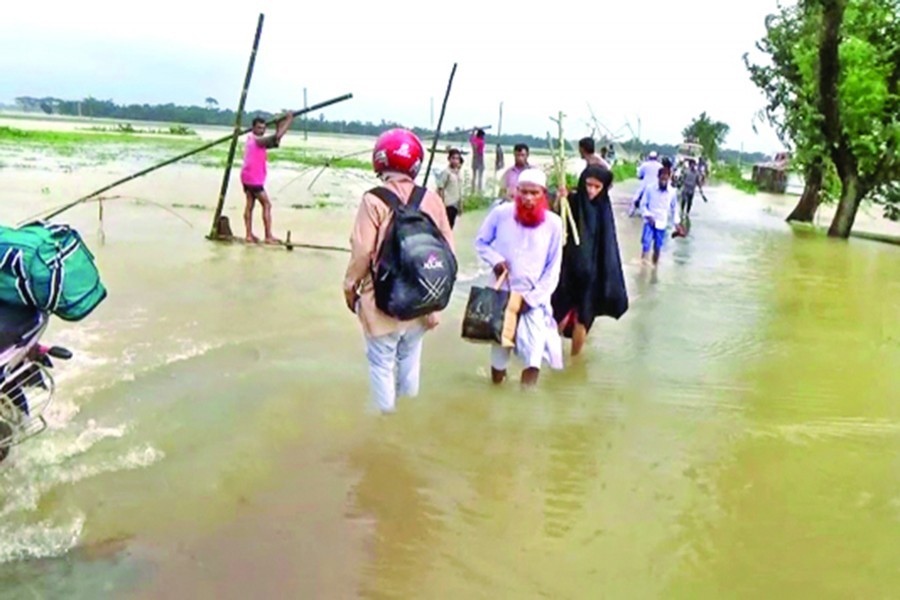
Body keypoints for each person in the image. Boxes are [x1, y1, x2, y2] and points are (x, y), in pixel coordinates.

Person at [343, 129, 456, 414]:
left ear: (380, 160)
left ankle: (386, 425)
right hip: (423, 298)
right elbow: (449, 252)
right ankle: (409, 420)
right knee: (409, 361)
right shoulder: (431, 199)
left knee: (382, 364)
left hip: (383, 300)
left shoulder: (373, 200)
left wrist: (349, 286)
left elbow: (362, 250)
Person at [474, 168, 564, 387]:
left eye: (534, 193)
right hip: (503, 295)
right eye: (524, 192)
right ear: (516, 191)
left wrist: (531, 300)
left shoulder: (553, 223)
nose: (528, 198)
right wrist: (495, 260)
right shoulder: (501, 213)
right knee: (499, 357)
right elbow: (481, 242)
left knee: (533, 360)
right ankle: (497, 395)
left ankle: (527, 404)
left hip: (533, 300)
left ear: (543, 194)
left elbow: (553, 269)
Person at [551, 166, 628, 356]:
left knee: (584, 317)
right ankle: (554, 355)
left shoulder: (604, 208)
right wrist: (560, 198)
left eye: (597, 187)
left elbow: (607, 244)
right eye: (588, 185)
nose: (591, 191)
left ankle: (575, 360)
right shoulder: (573, 201)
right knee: (558, 311)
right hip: (568, 269)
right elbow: (555, 219)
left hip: (592, 273)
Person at [240, 113, 294, 244]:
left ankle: (248, 235)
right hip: (253, 179)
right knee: (267, 204)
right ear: (253, 128)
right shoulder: (257, 140)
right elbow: (277, 136)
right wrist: (289, 120)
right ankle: (268, 236)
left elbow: (275, 142)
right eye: (259, 128)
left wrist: (278, 125)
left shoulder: (253, 139)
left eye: (263, 128)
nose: (261, 130)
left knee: (250, 205)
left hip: (248, 176)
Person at [639, 167, 678, 266]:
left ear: (669, 179)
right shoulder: (650, 188)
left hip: (662, 223)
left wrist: (677, 223)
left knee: (657, 247)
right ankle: (643, 266)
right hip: (649, 221)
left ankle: (654, 266)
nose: (664, 182)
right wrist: (648, 215)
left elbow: (674, 209)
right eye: (662, 179)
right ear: (658, 178)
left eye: (666, 179)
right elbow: (642, 204)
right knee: (646, 244)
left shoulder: (672, 192)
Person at [437, 148, 464, 228]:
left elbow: (460, 190)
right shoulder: (446, 172)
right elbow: (440, 188)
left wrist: (460, 205)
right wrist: (442, 204)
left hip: (455, 204)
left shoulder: (459, 173)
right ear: (449, 159)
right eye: (453, 158)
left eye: (457, 159)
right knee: (446, 227)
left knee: (451, 226)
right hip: (448, 205)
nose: (455, 161)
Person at [630, 150, 662, 216]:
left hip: (645, 184)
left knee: (636, 196)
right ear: (656, 158)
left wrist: (641, 177)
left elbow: (639, 175)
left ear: (649, 157)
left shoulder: (644, 165)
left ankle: (631, 211)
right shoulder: (660, 166)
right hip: (655, 185)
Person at [469, 128, 486, 195]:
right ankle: (478, 190)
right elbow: (475, 147)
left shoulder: (474, 139)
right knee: (479, 176)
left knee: (475, 175)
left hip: (475, 157)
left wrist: (473, 130)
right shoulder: (481, 141)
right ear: (480, 135)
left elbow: (471, 138)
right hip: (479, 157)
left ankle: (474, 191)